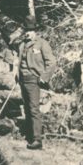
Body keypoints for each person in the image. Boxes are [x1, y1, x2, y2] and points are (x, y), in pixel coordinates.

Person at [17, 15, 56, 150]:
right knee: (27, 108)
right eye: (26, 30)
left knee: (34, 109)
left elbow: (51, 62)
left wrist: (44, 77)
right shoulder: (22, 45)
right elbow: (18, 62)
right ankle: (29, 134)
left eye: (30, 30)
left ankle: (37, 140)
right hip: (23, 81)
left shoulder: (42, 44)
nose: (27, 33)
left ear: (35, 31)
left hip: (34, 80)